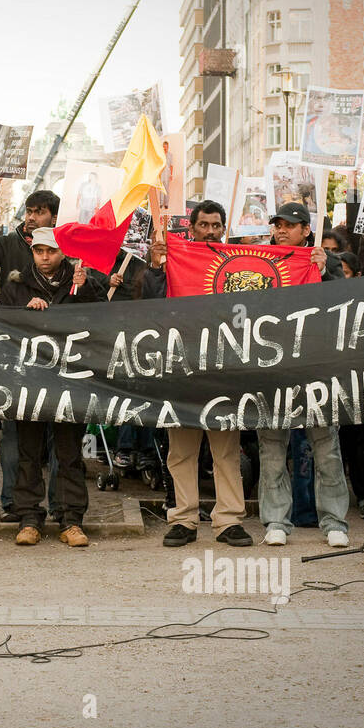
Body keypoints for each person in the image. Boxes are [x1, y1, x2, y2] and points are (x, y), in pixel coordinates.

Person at [147, 201, 253, 549]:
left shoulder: (239, 263)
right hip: (182, 370)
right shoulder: (174, 260)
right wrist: (157, 265)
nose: (210, 230)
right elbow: (149, 302)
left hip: (224, 371)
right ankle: (183, 519)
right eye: (204, 224)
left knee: (226, 452)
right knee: (181, 452)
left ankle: (228, 521)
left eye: (216, 225)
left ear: (224, 228)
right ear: (190, 228)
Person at [0, 227, 101, 547]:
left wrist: (84, 291)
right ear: (31, 250)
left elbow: (101, 320)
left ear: (63, 252)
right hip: (29, 380)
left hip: (71, 379)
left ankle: (71, 520)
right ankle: (29, 518)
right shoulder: (16, 285)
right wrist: (24, 313)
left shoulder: (81, 279)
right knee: (28, 451)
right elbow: (2, 323)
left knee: (68, 452)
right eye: (39, 251)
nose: (45, 258)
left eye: (52, 251)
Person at [0, 178, 61, 520]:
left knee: (56, 434)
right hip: (14, 352)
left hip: (57, 354)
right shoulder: (9, 244)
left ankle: (59, 506)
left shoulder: (68, 247)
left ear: (55, 217)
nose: (33, 217)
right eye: (30, 210)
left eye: (41, 212)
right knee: (14, 432)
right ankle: (13, 503)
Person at [259, 202, 350, 547]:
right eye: (277, 224)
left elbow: (344, 302)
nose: (281, 230)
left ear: (306, 231)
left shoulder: (327, 261)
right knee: (271, 446)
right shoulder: (258, 261)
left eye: (289, 225)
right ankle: (276, 521)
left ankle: (335, 521)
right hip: (271, 367)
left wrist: (325, 271)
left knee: (325, 446)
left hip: (315, 366)